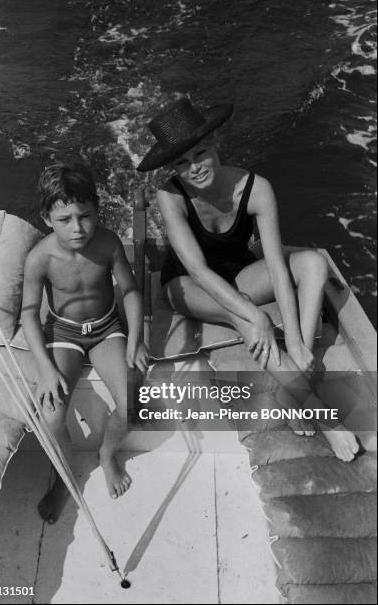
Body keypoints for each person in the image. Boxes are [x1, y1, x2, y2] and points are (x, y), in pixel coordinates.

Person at [137, 97, 359, 462]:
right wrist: (255, 315)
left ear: (216, 144)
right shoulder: (169, 196)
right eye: (181, 162)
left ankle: (295, 377)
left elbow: (276, 266)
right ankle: (321, 415)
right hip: (188, 286)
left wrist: (297, 340)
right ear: (172, 168)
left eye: (200, 153)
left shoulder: (257, 189)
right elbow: (198, 270)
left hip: (239, 273)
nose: (194, 168)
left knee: (313, 264)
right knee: (247, 320)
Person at [22, 162, 148, 523]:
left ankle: (107, 454)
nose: (77, 228)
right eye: (65, 219)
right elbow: (30, 315)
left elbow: (131, 290)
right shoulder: (39, 258)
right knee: (50, 417)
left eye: (85, 215)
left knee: (132, 402)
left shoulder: (108, 242)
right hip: (64, 333)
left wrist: (136, 341)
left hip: (107, 327)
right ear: (47, 218)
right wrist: (46, 370)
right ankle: (64, 477)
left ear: (97, 210)